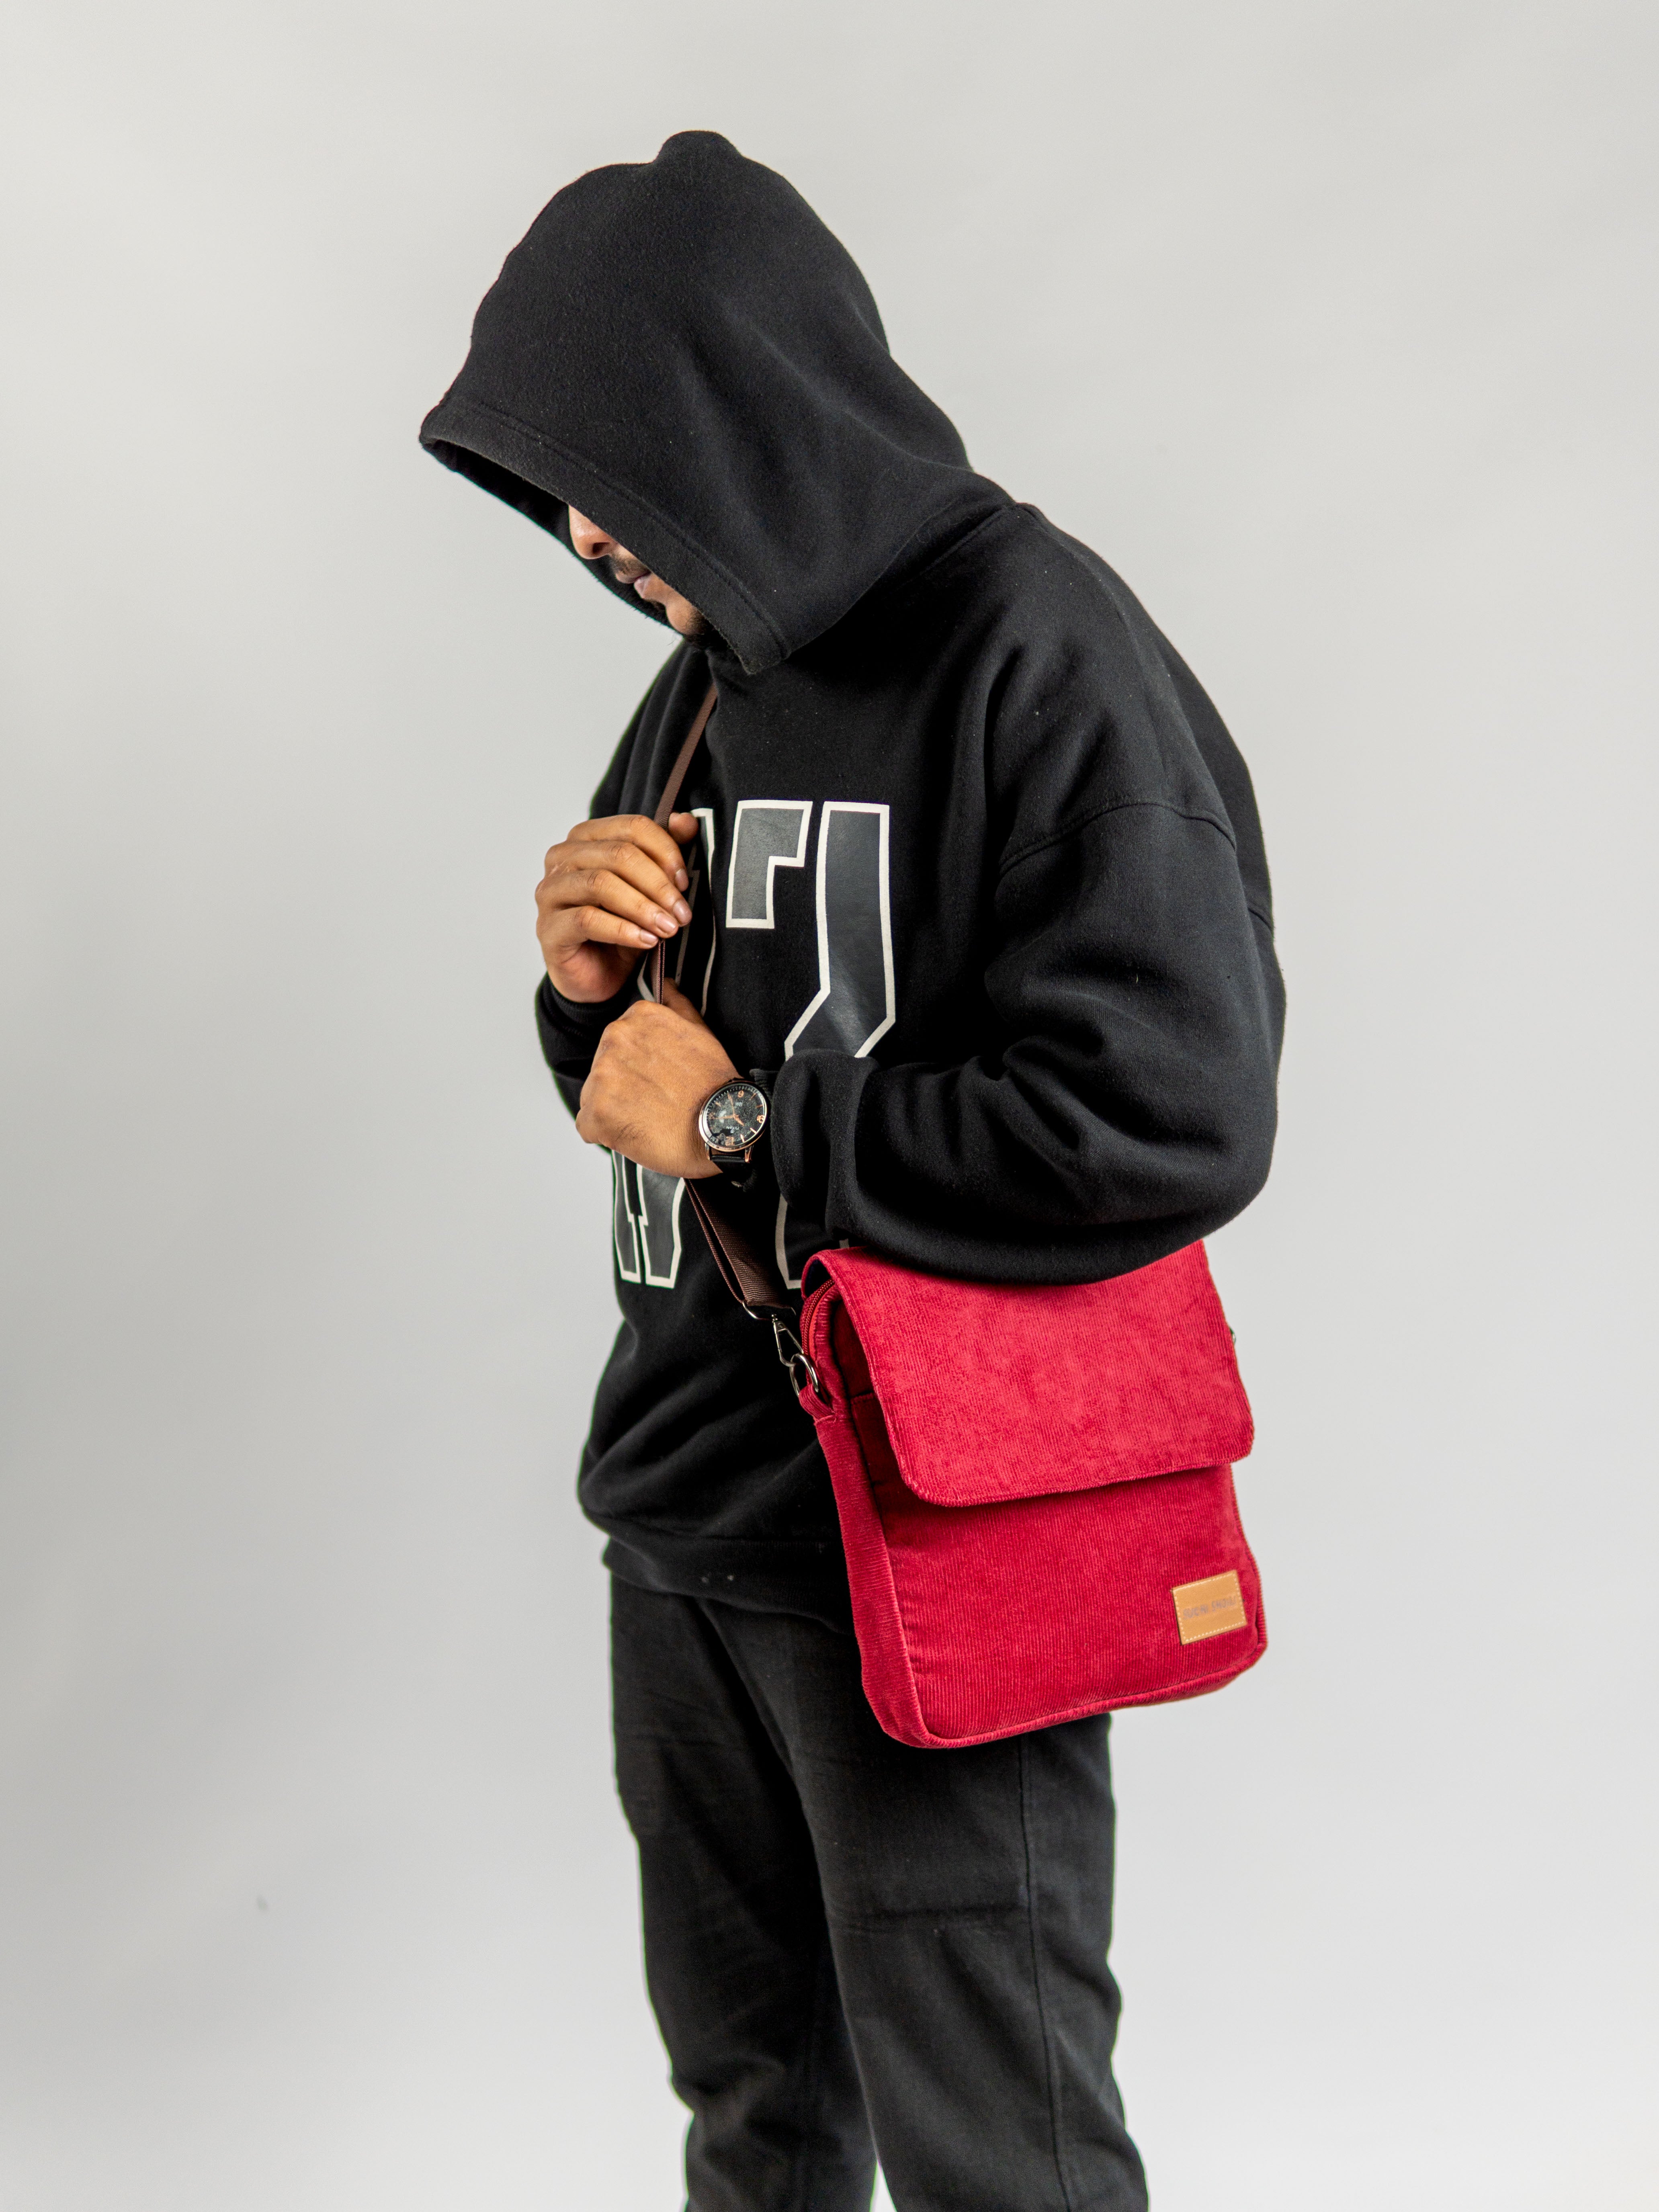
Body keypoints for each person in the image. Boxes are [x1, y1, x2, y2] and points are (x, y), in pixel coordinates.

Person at [421, 129, 1282, 2212]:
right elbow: (653, 1082)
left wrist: (741, 1123)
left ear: (740, 406)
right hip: (682, 1513)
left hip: (930, 1535)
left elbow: (1174, 1110)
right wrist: (583, 992)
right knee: (757, 2124)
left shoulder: (1034, 645)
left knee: (1006, 2152)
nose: (600, 543)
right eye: (570, 505)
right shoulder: (709, 677)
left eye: (620, 481)